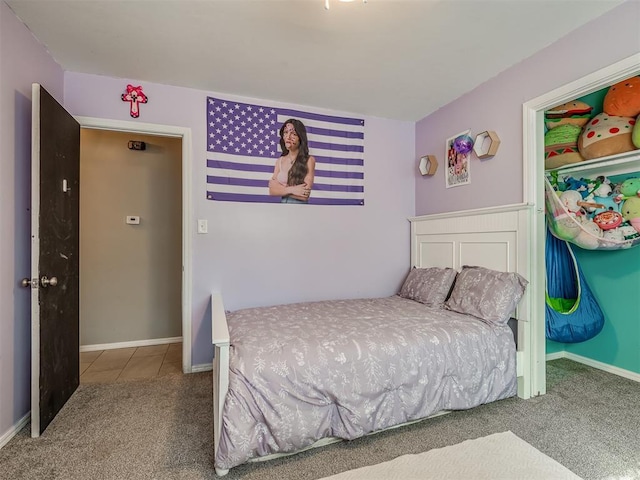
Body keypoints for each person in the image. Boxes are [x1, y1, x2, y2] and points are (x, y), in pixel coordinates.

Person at [269, 118, 316, 203]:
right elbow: (272, 190)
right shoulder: (280, 161)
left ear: (300, 138)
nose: (288, 136)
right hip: (282, 210)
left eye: (293, 133)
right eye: (286, 132)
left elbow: (305, 195)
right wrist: (293, 190)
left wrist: (280, 189)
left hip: (299, 211)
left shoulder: (309, 160)